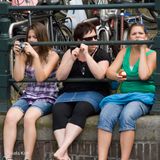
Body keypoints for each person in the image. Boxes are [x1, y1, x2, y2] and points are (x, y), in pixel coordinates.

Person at [52, 21, 111, 160]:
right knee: (58, 110)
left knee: (81, 108)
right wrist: (72, 58)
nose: (94, 41)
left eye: (95, 37)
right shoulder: (70, 52)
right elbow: (60, 76)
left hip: (93, 93)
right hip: (69, 93)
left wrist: (87, 55)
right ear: (79, 40)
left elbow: (100, 75)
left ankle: (62, 149)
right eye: (89, 39)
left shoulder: (102, 54)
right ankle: (63, 155)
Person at [98, 23, 157, 160]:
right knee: (105, 114)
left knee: (127, 115)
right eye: (134, 34)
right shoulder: (124, 52)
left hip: (142, 96)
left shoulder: (152, 54)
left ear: (146, 36)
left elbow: (143, 75)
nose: (137, 36)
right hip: (122, 95)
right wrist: (117, 76)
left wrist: (142, 50)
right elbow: (109, 71)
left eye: (140, 33)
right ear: (129, 37)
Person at [3, 22, 59, 160]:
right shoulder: (25, 54)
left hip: (47, 96)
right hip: (29, 95)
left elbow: (41, 78)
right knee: (10, 116)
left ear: (42, 38)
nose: (32, 40)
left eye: (35, 37)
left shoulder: (53, 55)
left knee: (29, 118)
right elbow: (18, 77)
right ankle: (7, 157)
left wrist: (34, 56)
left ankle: (27, 158)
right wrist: (18, 57)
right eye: (29, 37)